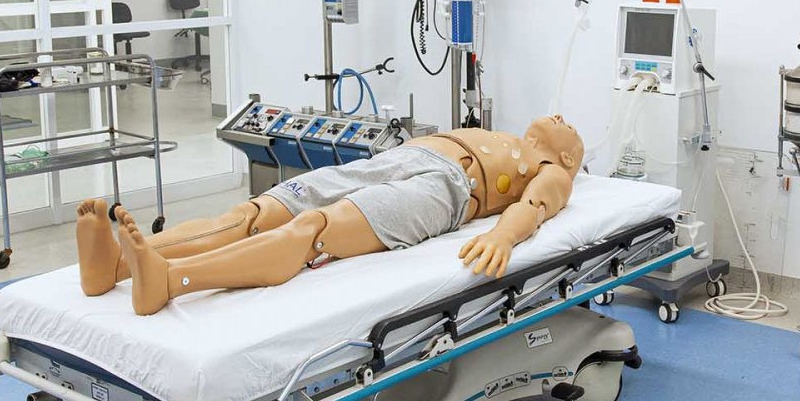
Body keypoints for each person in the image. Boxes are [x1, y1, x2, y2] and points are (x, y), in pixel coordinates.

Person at [76, 115, 584, 315]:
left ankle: (172, 280)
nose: (561, 116)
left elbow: (533, 207)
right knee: (257, 212)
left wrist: (502, 237)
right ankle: (115, 267)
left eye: (571, 128)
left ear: (567, 158)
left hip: (445, 189)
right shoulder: (506, 134)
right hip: (400, 157)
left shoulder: (554, 172)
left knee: (315, 228)